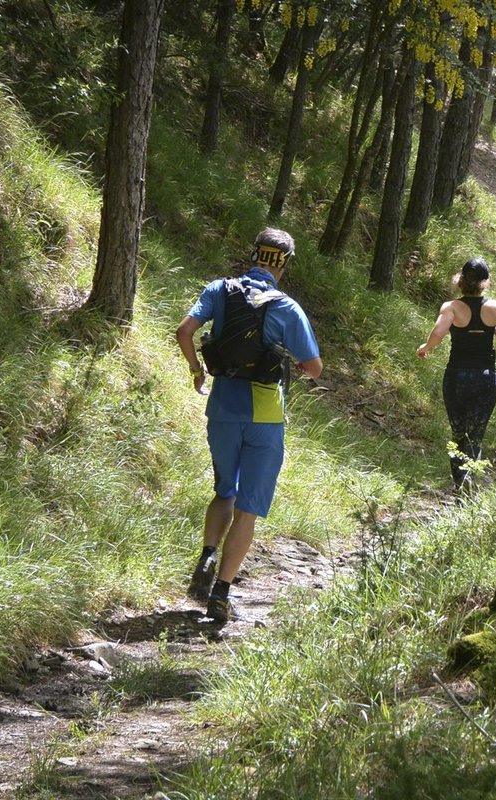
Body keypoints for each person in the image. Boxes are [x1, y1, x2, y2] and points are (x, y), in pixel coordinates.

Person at [175, 227, 322, 624]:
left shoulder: (219, 290)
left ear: (254, 254)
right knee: (248, 509)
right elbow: (314, 367)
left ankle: (208, 556)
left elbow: (185, 331)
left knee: (225, 491)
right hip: (265, 416)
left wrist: (196, 371)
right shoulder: (287, 307)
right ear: (284, 263)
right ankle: (221, 595)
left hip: (222, 406)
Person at [417, 257, 496, 492]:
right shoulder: (495, 308)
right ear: (485, 282)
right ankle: (469, 479)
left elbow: (438, 333)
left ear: (461, 280)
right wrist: (490, 328)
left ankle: (459, 482)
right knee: (475, 435)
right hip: (485, 378)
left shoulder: (451, 307)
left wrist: (426, 348)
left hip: (456, 378)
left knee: (457, 432)